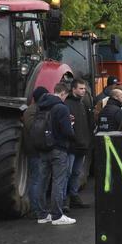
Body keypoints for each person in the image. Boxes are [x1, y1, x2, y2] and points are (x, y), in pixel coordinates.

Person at [23, 82, 76, 225]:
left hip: (43, 148)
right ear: (63, 93)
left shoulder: (41, 107)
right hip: (58, 149)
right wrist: (71, 128)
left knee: (42, 181)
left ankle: (42, 214)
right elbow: (66, 131)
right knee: (58, 181)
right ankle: (57, 216)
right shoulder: (61, 107)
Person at [64, 79, 93, 209]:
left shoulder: (83, 104)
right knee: (67, 173)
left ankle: (74, 196)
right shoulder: (67, 104)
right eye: (80, 88)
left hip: (82, 145)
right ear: (73, 89)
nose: (83, 91)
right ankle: (64, 200)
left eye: (84, 89)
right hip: (71, 146)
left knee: (76, 173)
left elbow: (87, 124)